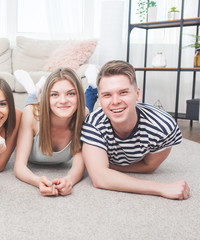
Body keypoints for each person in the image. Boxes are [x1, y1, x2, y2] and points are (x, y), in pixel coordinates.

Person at [81, 60, 190, 200]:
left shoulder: (163, 126)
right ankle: (91, 89)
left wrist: (103, 168)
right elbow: (100, 178)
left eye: (123, 92)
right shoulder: (93, 123)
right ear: (100, 100)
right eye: (107, 95)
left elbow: (149, 167)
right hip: (88, 122)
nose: (115, 101)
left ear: (137, 94)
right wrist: (161, 188)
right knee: (80, 113)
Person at [13, 68, 87, 196]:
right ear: (47, 98)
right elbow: (19, 166)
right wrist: (37, 181)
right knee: (29, 105)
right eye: (54, 94)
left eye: (71, 94)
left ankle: (34, 91)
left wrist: (69, 181)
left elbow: (78, 165)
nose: (63, 100)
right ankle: (34, 92)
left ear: (79, 96)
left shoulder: (83, 114)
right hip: (36, 113)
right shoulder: (31, 114)